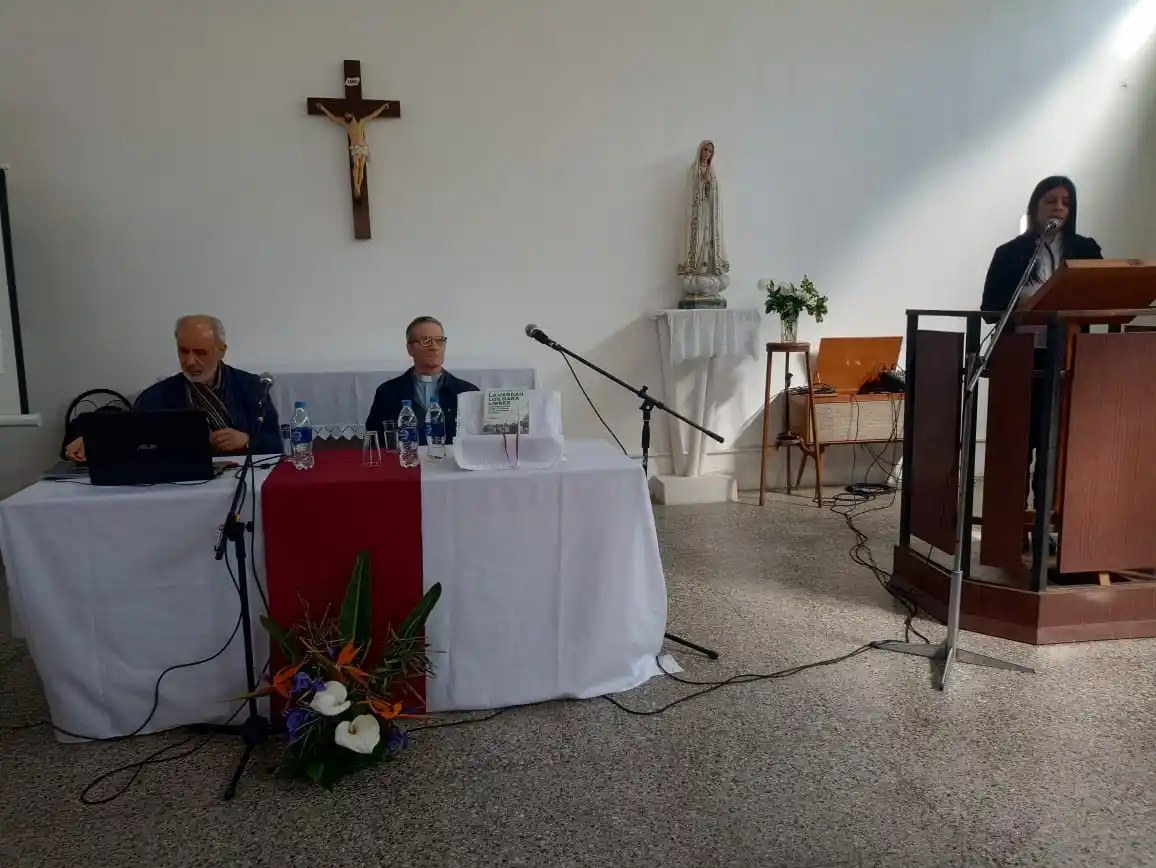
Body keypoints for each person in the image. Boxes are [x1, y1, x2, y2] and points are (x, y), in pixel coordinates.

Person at [980, 176, 1103, 541]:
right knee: (1020, 446)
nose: (1059, 208)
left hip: (1067, 360)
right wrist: (1020, 306)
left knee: (1056, 447)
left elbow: (1100, 298)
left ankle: (1047, 524)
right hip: (1022, 360)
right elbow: (989, 309)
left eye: (1066, 202)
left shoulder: (1085, 250)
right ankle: (1011, 526)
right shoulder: (1011, 253)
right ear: (1035, 206)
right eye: (1051, 200)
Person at [63, 315, 281, 462]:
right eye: (183, 351)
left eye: (200, 352)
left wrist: (246, 441)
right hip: (182, 483)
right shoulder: (158, 395)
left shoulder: (252, 387)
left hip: (240, 482)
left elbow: (276, 443)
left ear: (221, 350)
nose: (190, 361)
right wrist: (89, 440)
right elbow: (127, 433)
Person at [365, 316, 478, 447]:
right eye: (426, 341)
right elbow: (374, 443)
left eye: (439, 341)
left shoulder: (467, 392)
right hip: (405, 463)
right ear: (410, 349)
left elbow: (476, 443)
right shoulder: (387, 392)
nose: (434, 347)